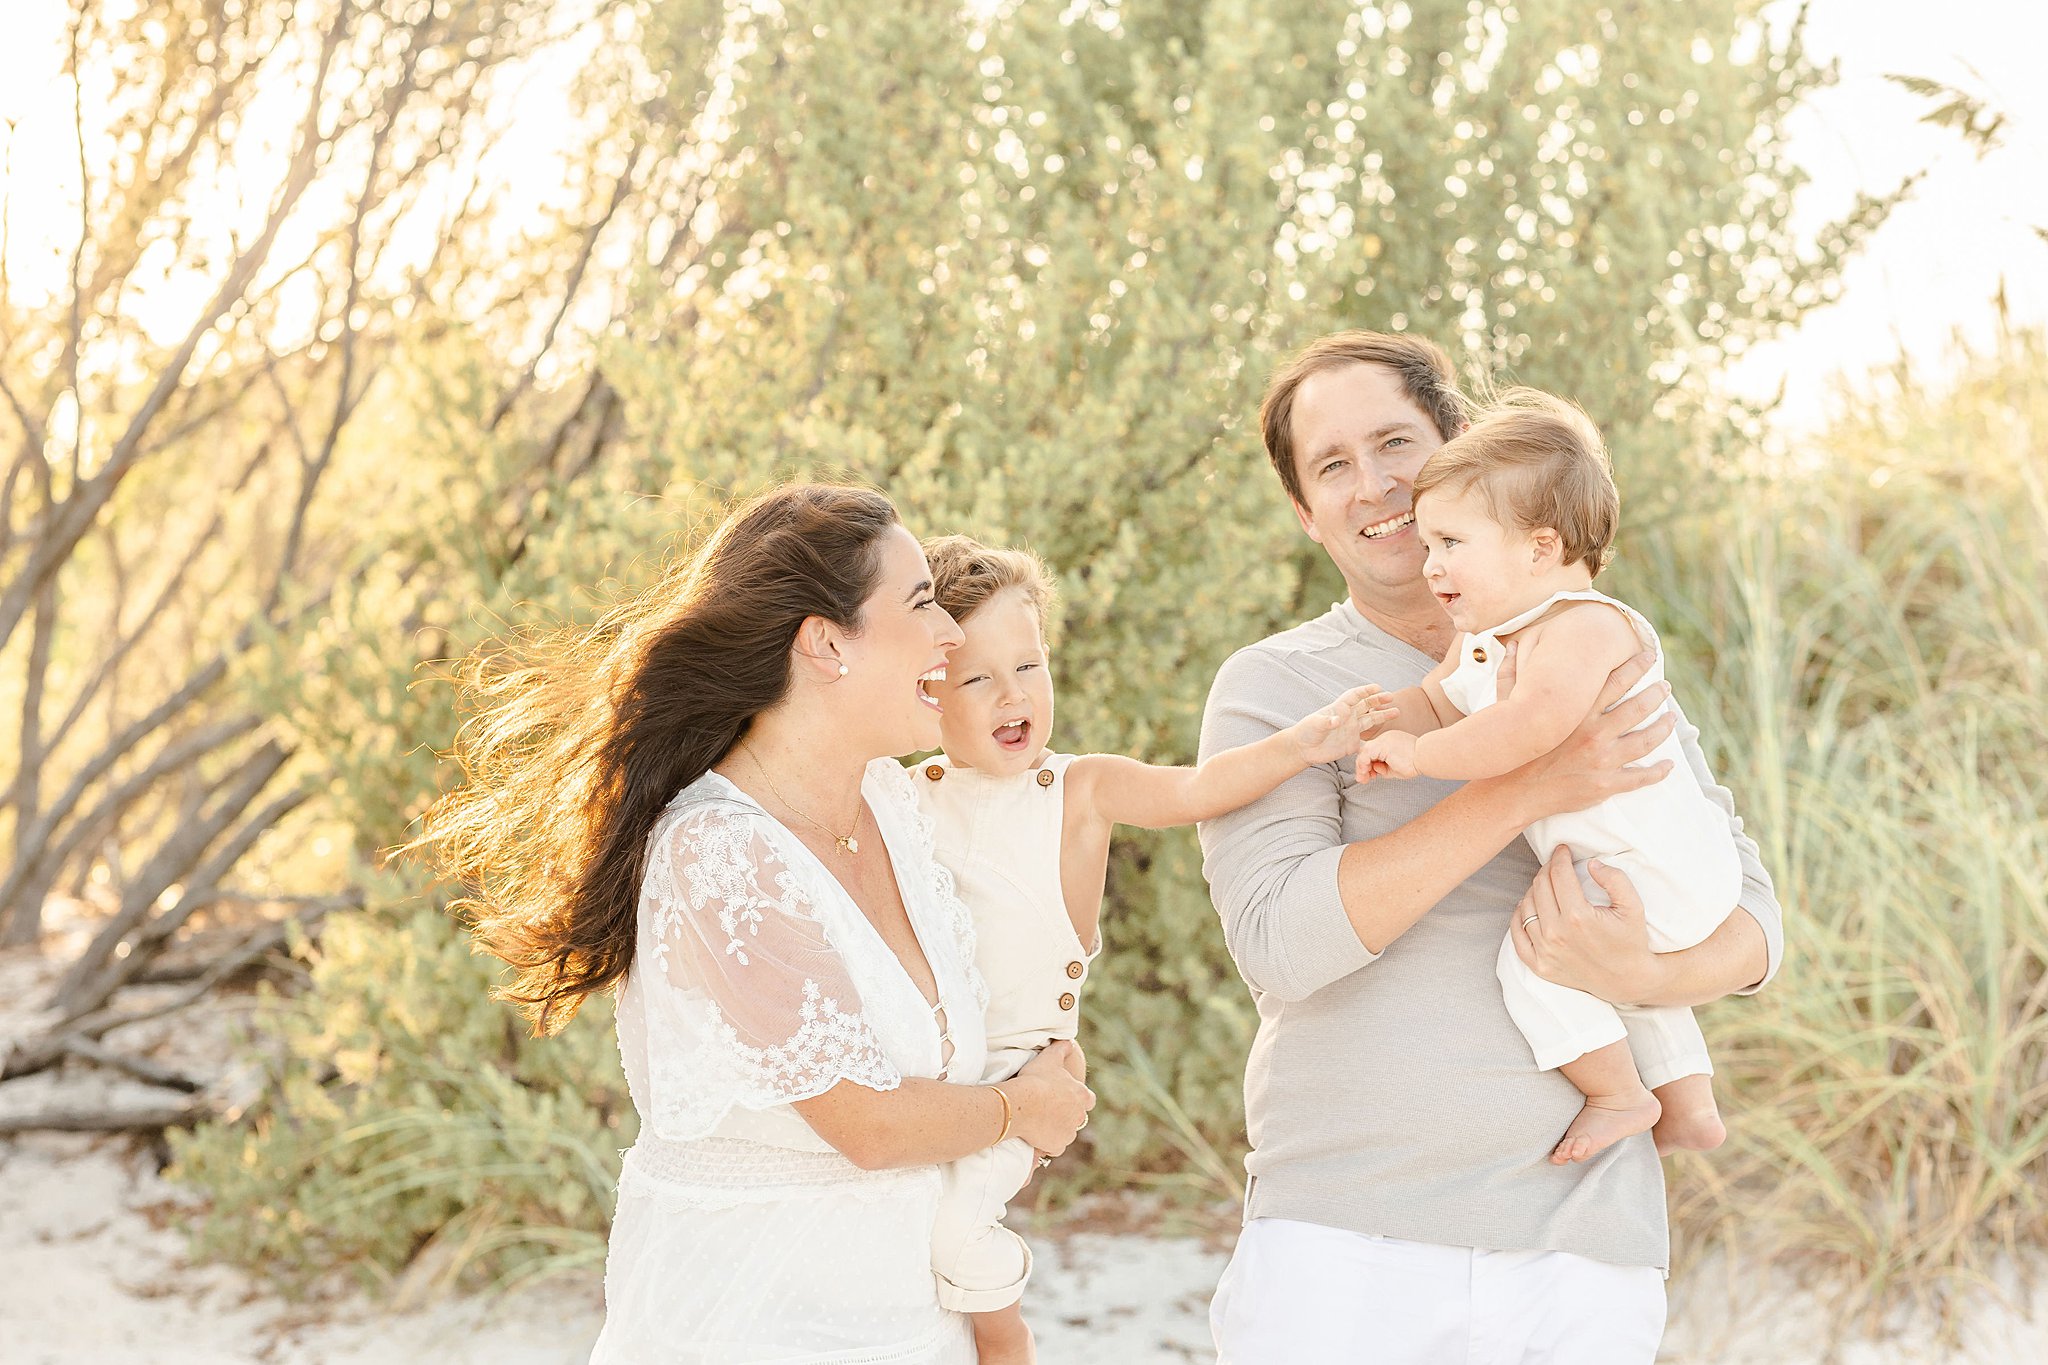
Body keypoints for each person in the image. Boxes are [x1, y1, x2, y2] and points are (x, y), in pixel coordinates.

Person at [1197, 332, 1786, 1364]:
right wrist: (1524, 787)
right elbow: (1281, 946)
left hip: (1577, 1240)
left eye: (1394, 443)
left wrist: (1647, 973)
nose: (1373, 484)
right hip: (1344, 1233)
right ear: (1303, 512)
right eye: (1331, 465)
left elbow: (1750, 916)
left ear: (1462, 449)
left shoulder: (1589, 638)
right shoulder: (1274, 689)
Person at [419, 483, 1094, 1364]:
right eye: (921, 602)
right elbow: (869, 1125)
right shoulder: (717, 853)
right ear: (824, 643)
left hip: (907, 1327)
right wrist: (1020, 1108)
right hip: (748, 1328)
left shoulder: (894, 804)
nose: (950, 635)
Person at [911, 535, 1384, 1365]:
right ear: (927, 690)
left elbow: (1196, 788)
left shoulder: (1081, 789)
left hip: (1018, 1071)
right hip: (924, 1065)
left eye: (1029, 667)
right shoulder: (905, 794)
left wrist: (1303, 743)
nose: (1011, 695)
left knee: (957, 1230)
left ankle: (1006, 1339)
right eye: (977, 678)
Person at [1354, 389, 1738, 1166]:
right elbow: (1435, 701)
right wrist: (1370, 718)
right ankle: (1691, 1103)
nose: (1432, 567)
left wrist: (1422, 758)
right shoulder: (1484, 639)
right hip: (1616, 868)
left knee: (1537, 961)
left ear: (1538, 547)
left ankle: (1618, 1093)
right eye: (1429, 546)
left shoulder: (1585, 625)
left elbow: (1528, 728)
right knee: (1607, 964)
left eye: (1452, 544)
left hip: (1653, 863)